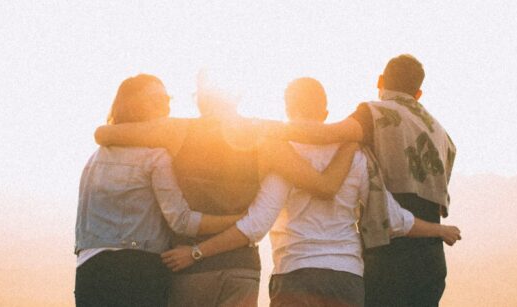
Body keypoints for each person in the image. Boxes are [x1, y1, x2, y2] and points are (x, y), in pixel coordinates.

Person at [161, 77, 461, 307]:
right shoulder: (356, 155)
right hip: (346, 278)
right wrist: (439, 229)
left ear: (287, 108)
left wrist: (197, 252)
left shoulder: (283, 156)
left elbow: (256, 224)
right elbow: (392, 219)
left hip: (295, 276)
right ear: (325, 112)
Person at [92, 73, 358, 306]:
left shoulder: (176, 130)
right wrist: (352, 140)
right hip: (241, 270)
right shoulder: (265, 137)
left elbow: (104, 134)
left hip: (189, 270)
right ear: (237, 96)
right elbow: (325, 186)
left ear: (200, 98)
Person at [274, 55, 458, 306]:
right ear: (418, 93)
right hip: (430, 256)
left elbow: (326, 134)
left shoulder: (375, 114)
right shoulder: (442, 135)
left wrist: (264, 130)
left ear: (380, 81)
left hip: (388, 256)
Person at [74, 74, 246, 306]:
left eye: (167, 99)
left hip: (89, 269)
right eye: (157, 100)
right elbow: (181, 221)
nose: (166, 106)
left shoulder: (94, 159)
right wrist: (237, 221)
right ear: (134, 105)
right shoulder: (155, 156)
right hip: (139, 270)